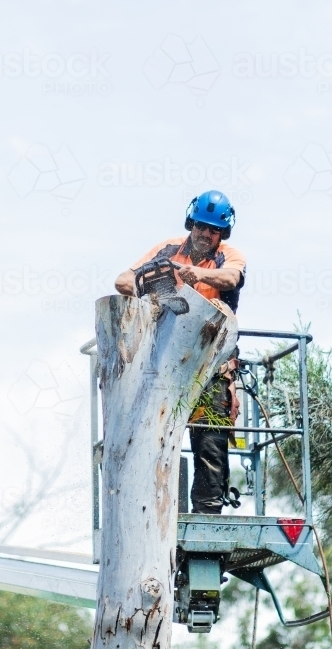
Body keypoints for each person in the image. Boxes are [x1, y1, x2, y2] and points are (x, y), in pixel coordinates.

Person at [114, 190, 246, 514]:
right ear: (192, 223)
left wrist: (199, 275)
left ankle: (207, 514)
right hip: (166, 363)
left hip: (212, 365)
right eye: (201, 226)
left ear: (222, 233)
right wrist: (156, 286)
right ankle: (147, 507)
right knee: (151, 435)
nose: (205, 233)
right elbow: (122, 280)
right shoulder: (169, 250)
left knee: (210, 436)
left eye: (213, 229)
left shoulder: (229, 257)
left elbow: (232, 277)